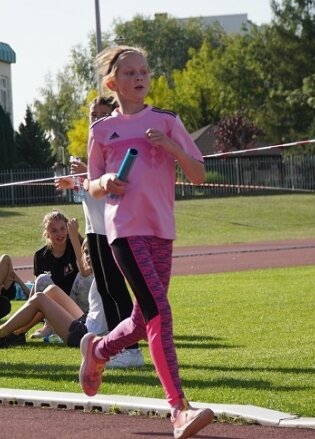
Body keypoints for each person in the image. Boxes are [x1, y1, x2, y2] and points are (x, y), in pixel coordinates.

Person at [80, 46, 214, 439]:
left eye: (144, 71)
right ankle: (179, 409)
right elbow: (90, 182)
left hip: (161, 229)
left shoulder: (168, 121)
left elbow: (199, 175)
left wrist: (170, 147)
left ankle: (99, 350)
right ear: (112, 83)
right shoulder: (101, 130)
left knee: (143, 320)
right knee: (160, 313)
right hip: (123, 229)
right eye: (129, 73)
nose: (139, 78)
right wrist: (104, 183)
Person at [55, 96, 143, 369]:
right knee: (105, 290)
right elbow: (92, 190)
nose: (96, 118)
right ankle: (118, 345)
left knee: (117, 289)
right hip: (94, 230)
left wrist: (86, 174)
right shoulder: (95, 143)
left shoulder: (116, 144)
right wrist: (75, 182)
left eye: (102, 114)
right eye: (93, 114)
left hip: (112, 229)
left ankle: (132, 349)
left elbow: (117, 184)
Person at [0, 240, 107, 349]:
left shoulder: (105, 277)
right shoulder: (98, 275)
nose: (89, 256)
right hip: (87, 321)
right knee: (51, 290)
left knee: (39, 298)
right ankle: (18, 333)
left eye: (93, 252)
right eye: (86, 252)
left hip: (86, 335)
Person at [30, 210, 91, 338]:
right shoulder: (40, 256)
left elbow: (85, 271)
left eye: (63, 228)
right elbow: (37, 289)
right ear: (47, 234)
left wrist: (74, 237)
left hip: (78, 304)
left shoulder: (76, 244)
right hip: (56, 307)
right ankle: (50, 325)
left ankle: (87, 320)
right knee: (41, 279)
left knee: (84, 275)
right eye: (54, 230)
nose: (60, 233)